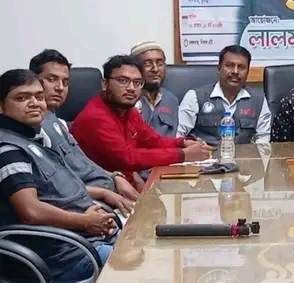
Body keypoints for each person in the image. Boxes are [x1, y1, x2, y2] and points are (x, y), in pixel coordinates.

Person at [0, 69, 118, 282]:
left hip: (86, 238)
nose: (34, 103)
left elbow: (57, 192)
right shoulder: (9, 150)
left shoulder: (35, 139)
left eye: (39, 97)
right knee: (144, 267)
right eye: (22, 98)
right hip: (66, 256)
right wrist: (84, 221)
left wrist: (96, 218)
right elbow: (31, 212)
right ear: (1, 106)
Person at [71, 55, 212, 190]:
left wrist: (183, 143)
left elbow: (153, 140)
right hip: (100, 190)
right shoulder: (96, 116)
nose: (131, 88)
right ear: (105, 84)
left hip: (125, 185)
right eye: (123, 81)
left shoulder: (128, 110)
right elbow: (127, 158)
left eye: (137, 83)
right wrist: (182, 155)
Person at [29, 49, 139, 202]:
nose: (60, 87)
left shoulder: (58, 123)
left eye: (65, 82)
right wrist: (104, 193)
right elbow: (57, 186)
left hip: (107, 190)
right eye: (52, 79)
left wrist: (115, 176)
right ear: (33, 81)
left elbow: (83, 164)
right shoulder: (33, 131)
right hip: (88, 202)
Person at [177, 45, 271, 145]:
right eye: (229, 65)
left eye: (241, 67)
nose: (235, 71)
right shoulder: (194, 97)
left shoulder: (259, 100)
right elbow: (178, 136)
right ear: (219, 69)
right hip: (205, 154)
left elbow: (263, 139)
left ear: (247, 72)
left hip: (243, 154)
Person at [130, 41, 180, 137]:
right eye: (148, 64)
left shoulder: (171, 99)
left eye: (160, 63)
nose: (155, 69)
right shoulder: (128, 99)